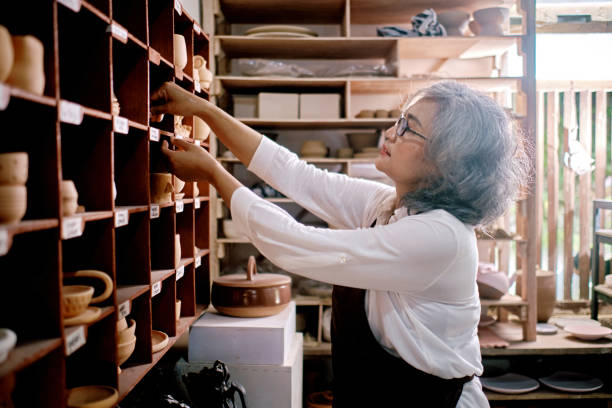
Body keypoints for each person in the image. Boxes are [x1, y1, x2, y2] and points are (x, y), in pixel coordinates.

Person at [151, 81, 529, 407]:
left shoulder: (441, 237)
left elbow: (297, 243)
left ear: (449, 160)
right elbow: (297, 175)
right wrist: (203, 109)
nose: (391, 132)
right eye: (399, 120)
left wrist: (215, 175)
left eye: (409, 128)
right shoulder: (390, 206)